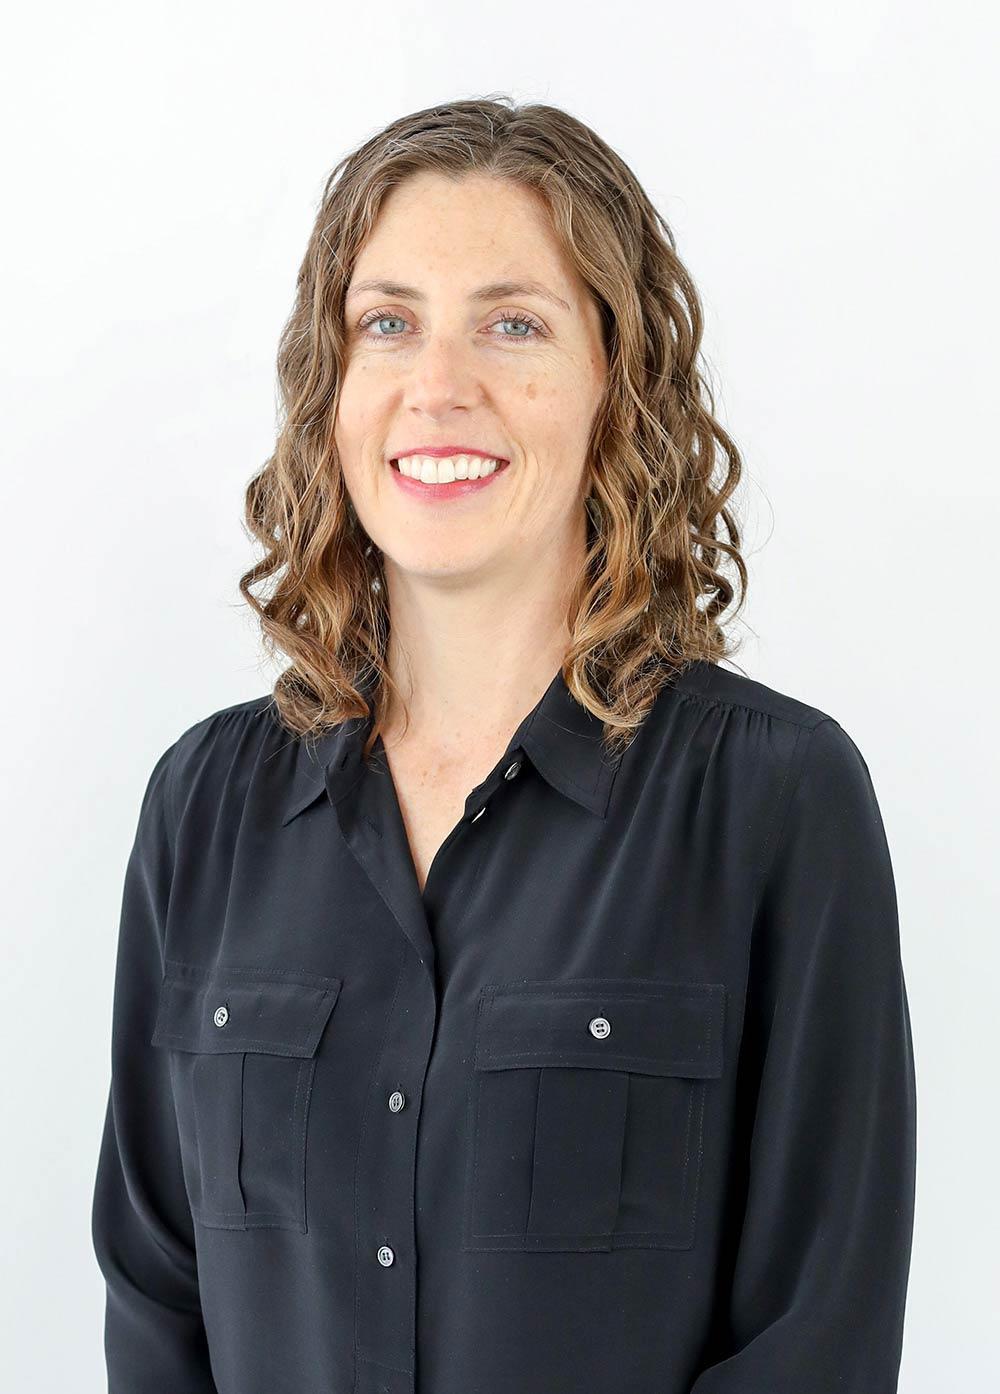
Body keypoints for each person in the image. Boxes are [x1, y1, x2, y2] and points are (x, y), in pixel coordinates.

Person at [91, 96, 916, 1394]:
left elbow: (814, 1342)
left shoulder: (775, 801)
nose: (439, 386)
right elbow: (154, 1296)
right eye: (389, 323)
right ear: (334, 386)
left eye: (512, 322)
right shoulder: (204, 807)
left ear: (614, 378)